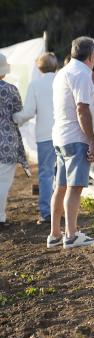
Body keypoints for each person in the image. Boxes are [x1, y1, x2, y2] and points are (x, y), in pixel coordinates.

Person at [48, 37, 94, 248]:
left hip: (61, 136)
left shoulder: (63, 72)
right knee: (74, 187)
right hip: (76, 137)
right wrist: (92, 141)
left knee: (60, 187)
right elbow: (82, 109)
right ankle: (70, 235)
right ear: (92, 56)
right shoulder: (81, 74)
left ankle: (54, 234)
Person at [14, 52, 57, 223]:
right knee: (61, 174)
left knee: (46, 175)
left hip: (45, 135)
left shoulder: (35, 84)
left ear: (38, 67)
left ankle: (47, 213)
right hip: (65, 134)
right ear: (55, 66)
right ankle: (62, 209)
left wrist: (15, 119)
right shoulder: (63, 80)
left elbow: (29, 112)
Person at [0, 53, 30, 227]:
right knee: (3, 182)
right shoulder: (11, 90)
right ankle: (0, 217)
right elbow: (19, 113)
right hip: (7, 140)